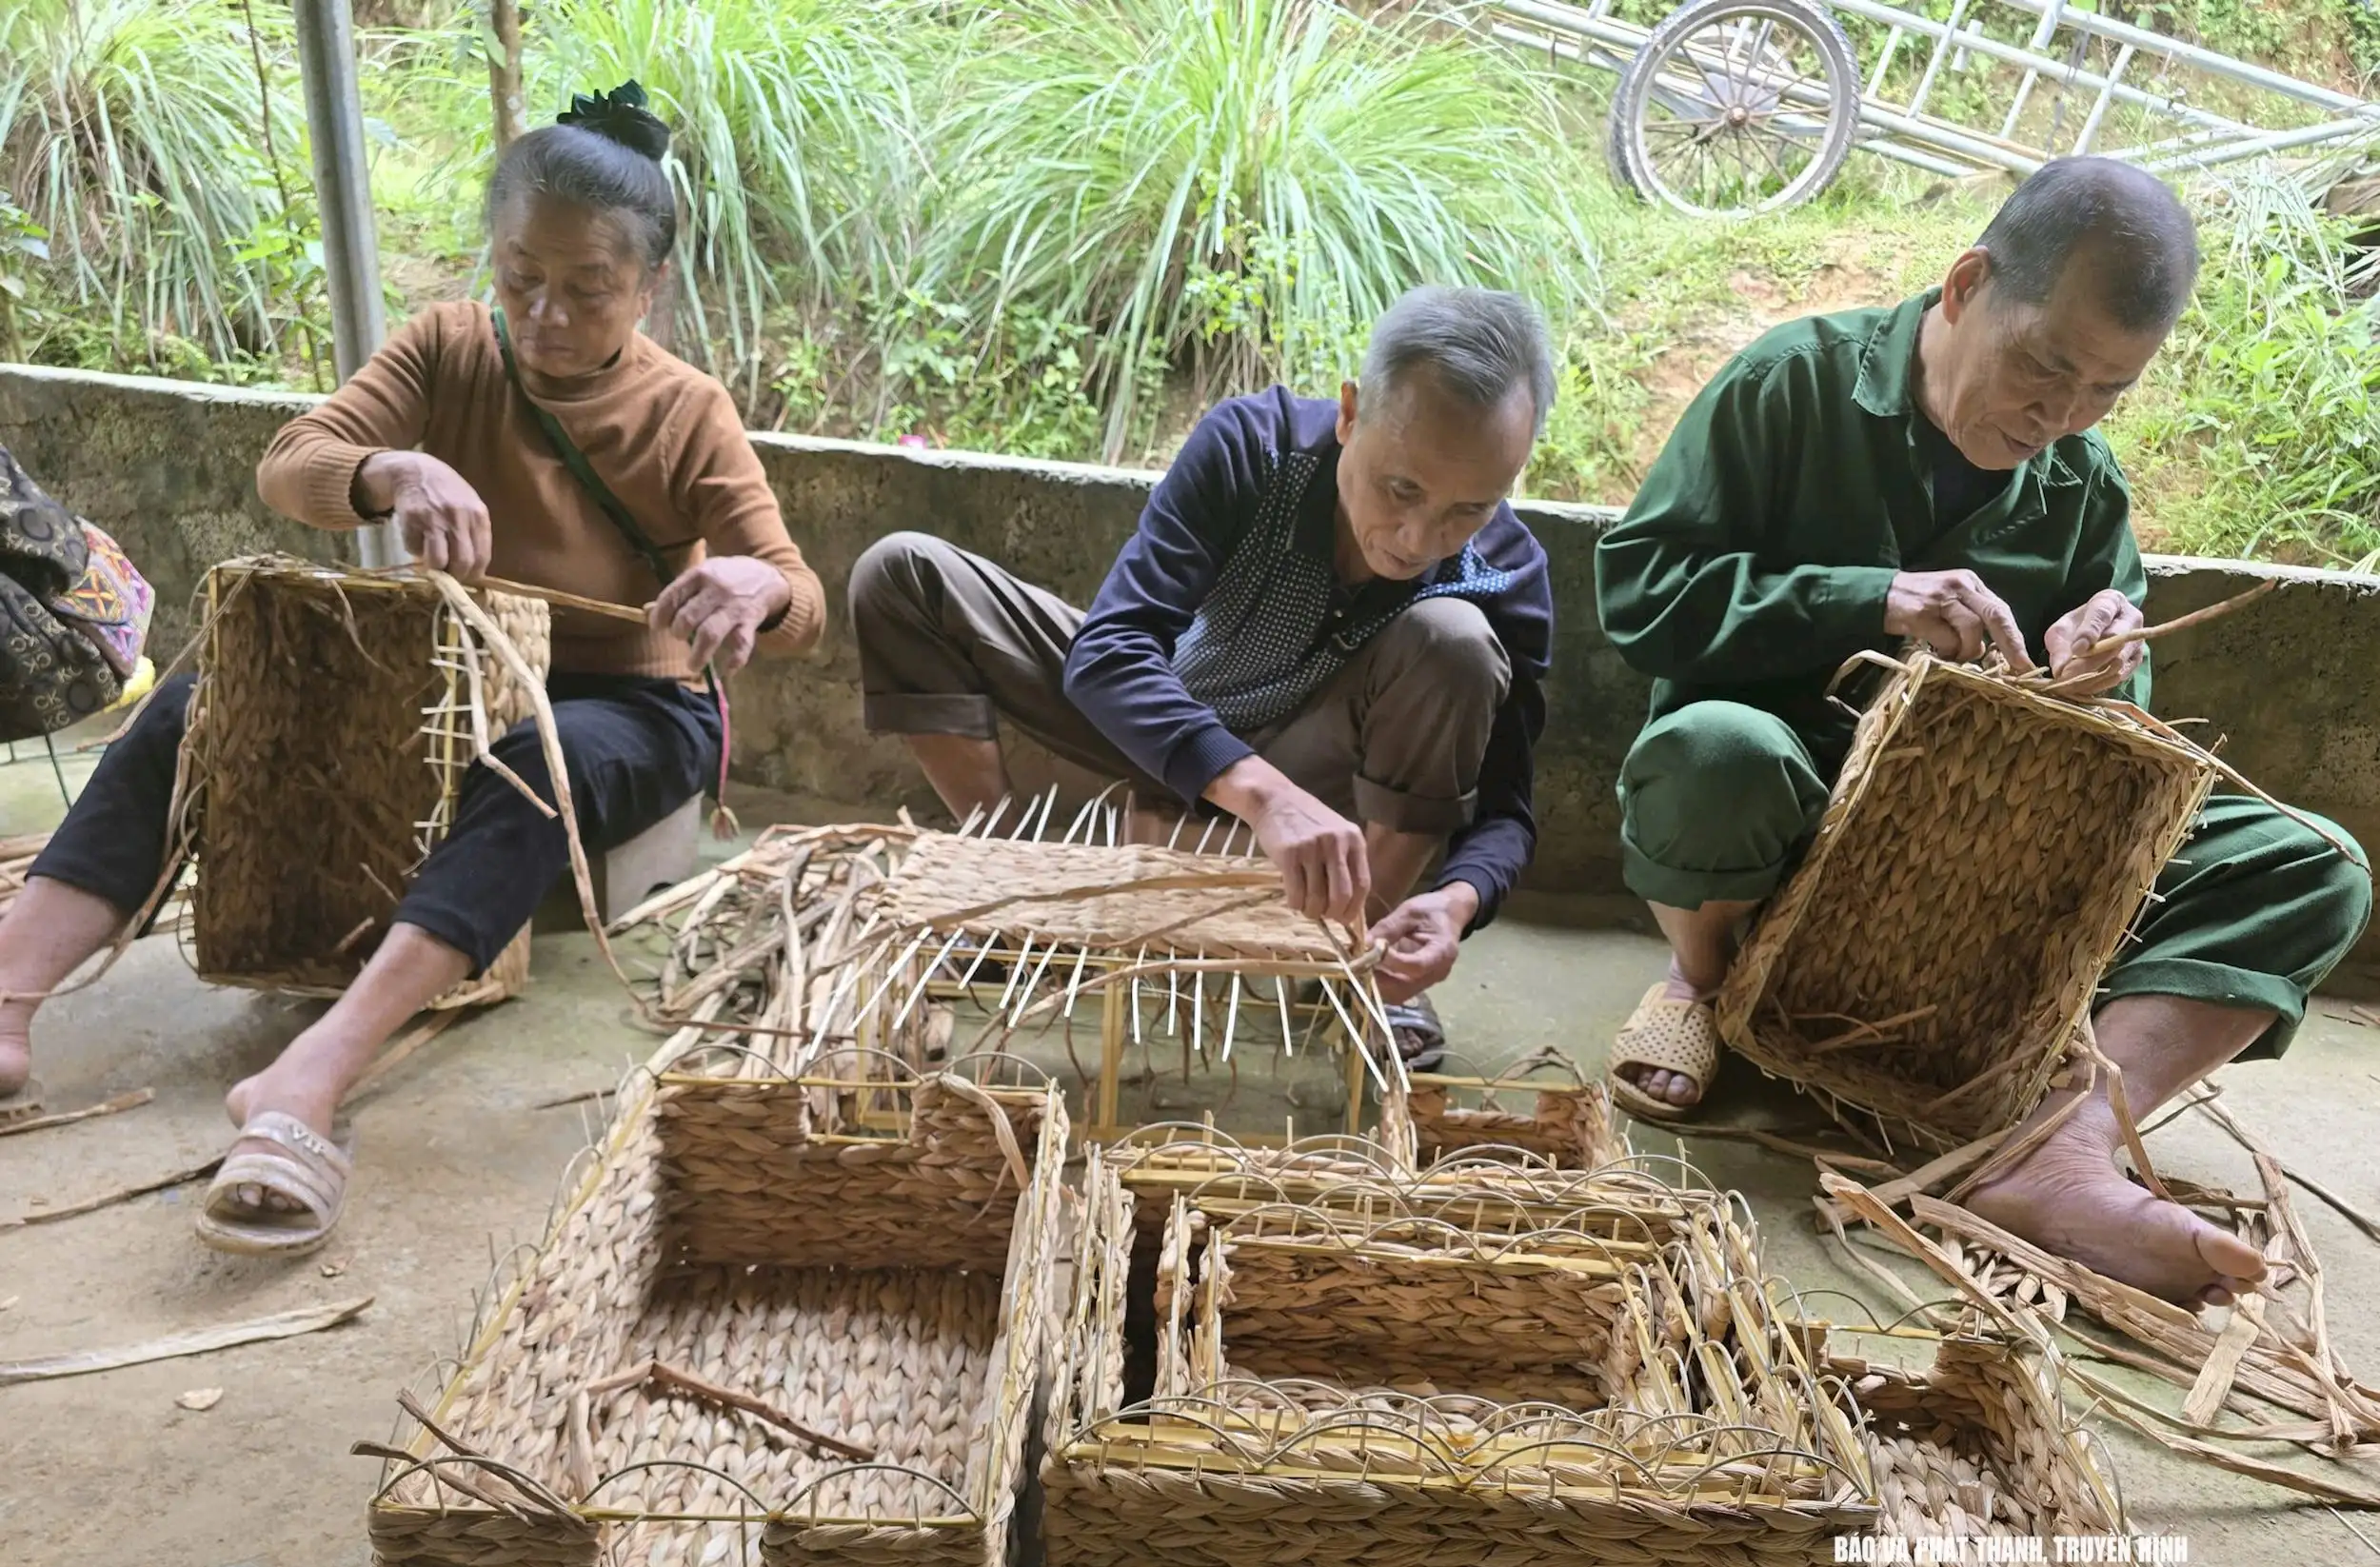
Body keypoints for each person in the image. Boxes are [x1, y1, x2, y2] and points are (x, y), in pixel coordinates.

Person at [0, 83, 823, 1252]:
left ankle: (306, 1078)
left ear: (649, 288)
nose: (544, 313)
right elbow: (294, 464)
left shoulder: (687, 410)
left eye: (588, 290)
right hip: (453, 670)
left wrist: (759, 586)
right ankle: (9, 997)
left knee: (537, 760)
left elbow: (803, 606)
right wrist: (390, 470)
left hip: (629, 704)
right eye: (519, 275)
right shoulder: (447, 344)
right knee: (203, 704)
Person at [1596, 157, 2370, 1307]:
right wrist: (1873, 597)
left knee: (2316, 867)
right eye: (2046, 365)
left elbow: (2122, 747)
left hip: (1974, 873)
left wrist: (2108, 672)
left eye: (2107, 390)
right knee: (1715, 755)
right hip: (1790, 813)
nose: (2057, 415)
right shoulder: (1791, 386)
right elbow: (1640, 593)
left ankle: (2058, 1143)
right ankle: (1708, 988)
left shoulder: (2077, 481)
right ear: (1965, 287)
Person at [848, 286, 1557, 1066]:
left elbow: (1506, 812)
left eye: (1470, 508)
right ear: (1350, 414)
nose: (1421, 536)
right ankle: (1022, 899)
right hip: (1166, 721)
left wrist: (1456, 902)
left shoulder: (1503, 572)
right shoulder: (1254, 449)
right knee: (899, 576)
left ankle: (1351, 964)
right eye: (1402, 489)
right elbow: (1113, 650)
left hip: (1324, 791)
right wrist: (1261, 794)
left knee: (1454, 640)